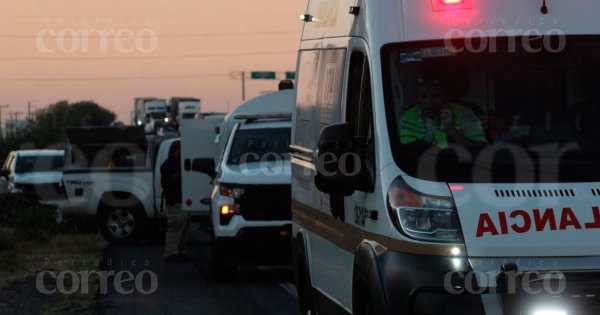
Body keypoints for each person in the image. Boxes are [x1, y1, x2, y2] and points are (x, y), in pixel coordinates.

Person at [399, 73, 487, 149]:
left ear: (445, 96)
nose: (428, 102)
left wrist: (452, 131)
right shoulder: (407, 117)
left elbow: (480, 150)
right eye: (423, 96)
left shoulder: (465, 114)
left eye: (435, 97)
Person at [160, 142, 190, 263]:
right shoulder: (169, 165)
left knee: (183, 227)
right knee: (175, 227)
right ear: (177, 150)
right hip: (175, 201)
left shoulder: (175, 164)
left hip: (181, 200)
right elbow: (168, 185)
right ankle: (171, 253)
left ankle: (180, 251)